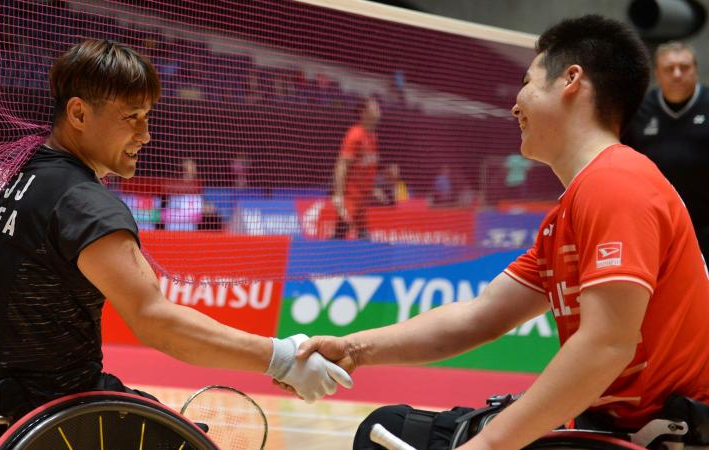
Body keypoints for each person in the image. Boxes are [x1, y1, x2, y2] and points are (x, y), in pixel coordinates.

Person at [295, 15, 709, 450]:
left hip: (658, 437)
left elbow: (607, 345)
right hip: (609, 426)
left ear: (571, 80)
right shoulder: (566, 216)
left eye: (527, 82)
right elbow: (479, 316)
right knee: (396, 429)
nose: (516, 105)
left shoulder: (617, 183)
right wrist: (354, 349)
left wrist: (488, 445)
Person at [0, 39, 351, 450]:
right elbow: (156, 321)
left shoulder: (5, 173)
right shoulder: (84, 203)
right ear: (79, 114)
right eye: (131, 117)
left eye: (148, 116)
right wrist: (281, 358)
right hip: (46, 420)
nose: (145, 135)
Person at [623, 41, 709, 258]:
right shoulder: (639, 109)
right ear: (657, 74)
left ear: (696, 69)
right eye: (669, 69)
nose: (677, 74)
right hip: (657, 225)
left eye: (685, 67)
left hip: (705, 224)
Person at [332, 96, 380, 239]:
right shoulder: (355, 135)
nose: (379, 110)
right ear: (363, 113)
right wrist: (338, 195)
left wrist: (373, 189)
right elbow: (341, 165)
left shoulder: (373, 137)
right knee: (339, 236)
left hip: (363, 201)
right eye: (375, 107)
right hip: (351, 198)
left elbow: (366, 169)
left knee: (363, 237)